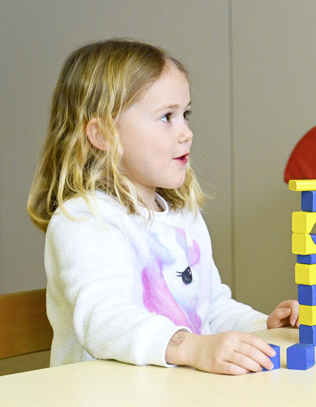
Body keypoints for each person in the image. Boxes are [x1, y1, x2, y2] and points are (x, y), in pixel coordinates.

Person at [28, 39, 299, 374]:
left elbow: (211, 309)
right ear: (102, 135)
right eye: (166, 116)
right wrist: (192, 347)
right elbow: (104, 320)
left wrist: (263, 327)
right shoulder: (84, 220)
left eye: (185, 114)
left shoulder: (184, 216)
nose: (186, 133)